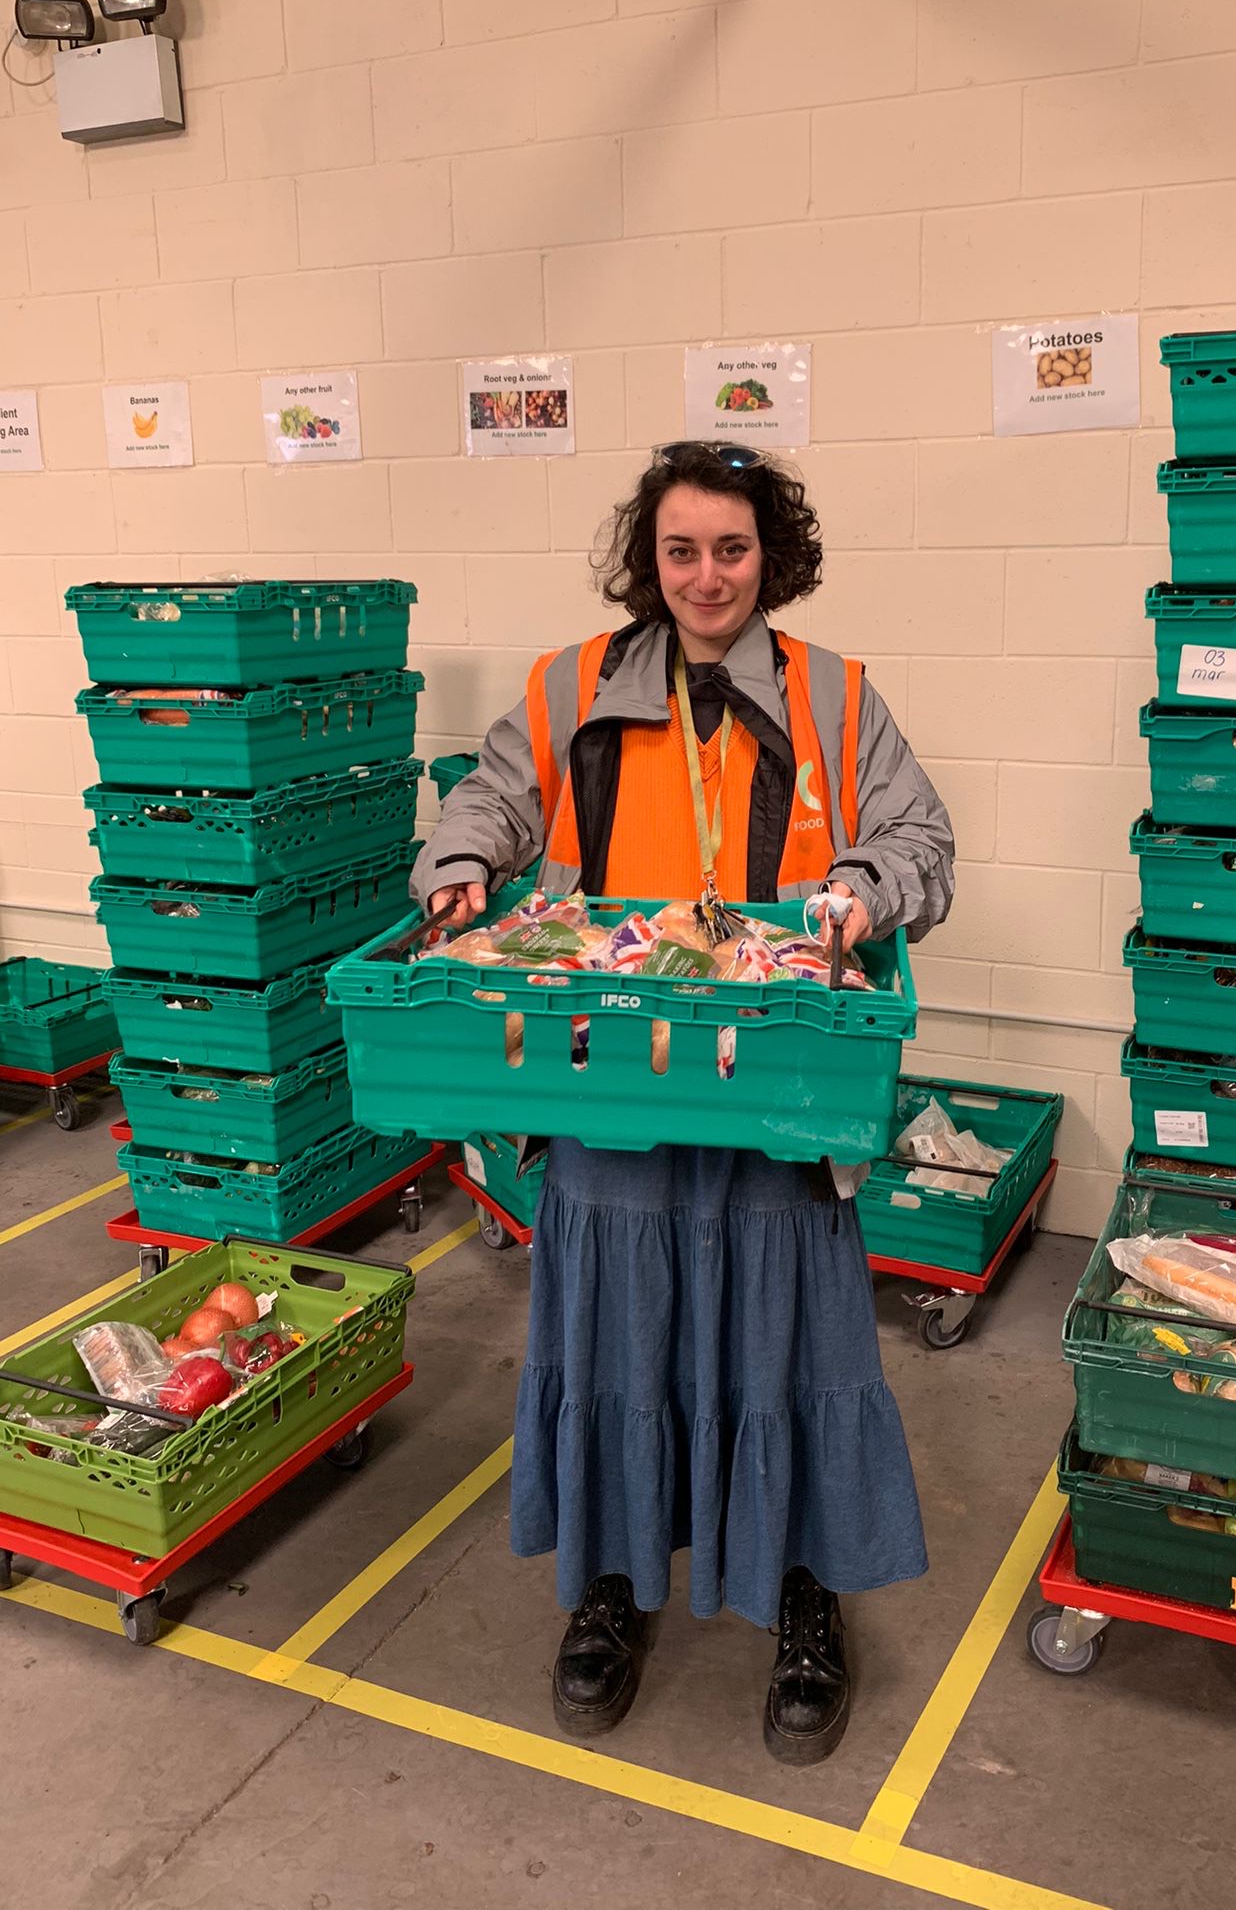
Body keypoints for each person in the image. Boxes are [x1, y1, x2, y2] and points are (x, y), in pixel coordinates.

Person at [409, 441, 955, 1764]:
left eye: (732, 549)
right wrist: (463, 863)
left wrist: (864, 890)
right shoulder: (572, 688)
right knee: (612, 1346)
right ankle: (610, 1583)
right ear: (645, 561)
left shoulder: (835, 697)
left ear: (772, 557)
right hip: (613, 1085)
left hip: (777, 1081)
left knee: (791, 1346)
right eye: (681, 550)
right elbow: (488, 795)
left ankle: (801, 1588)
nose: (707, 576)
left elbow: (920, 839)